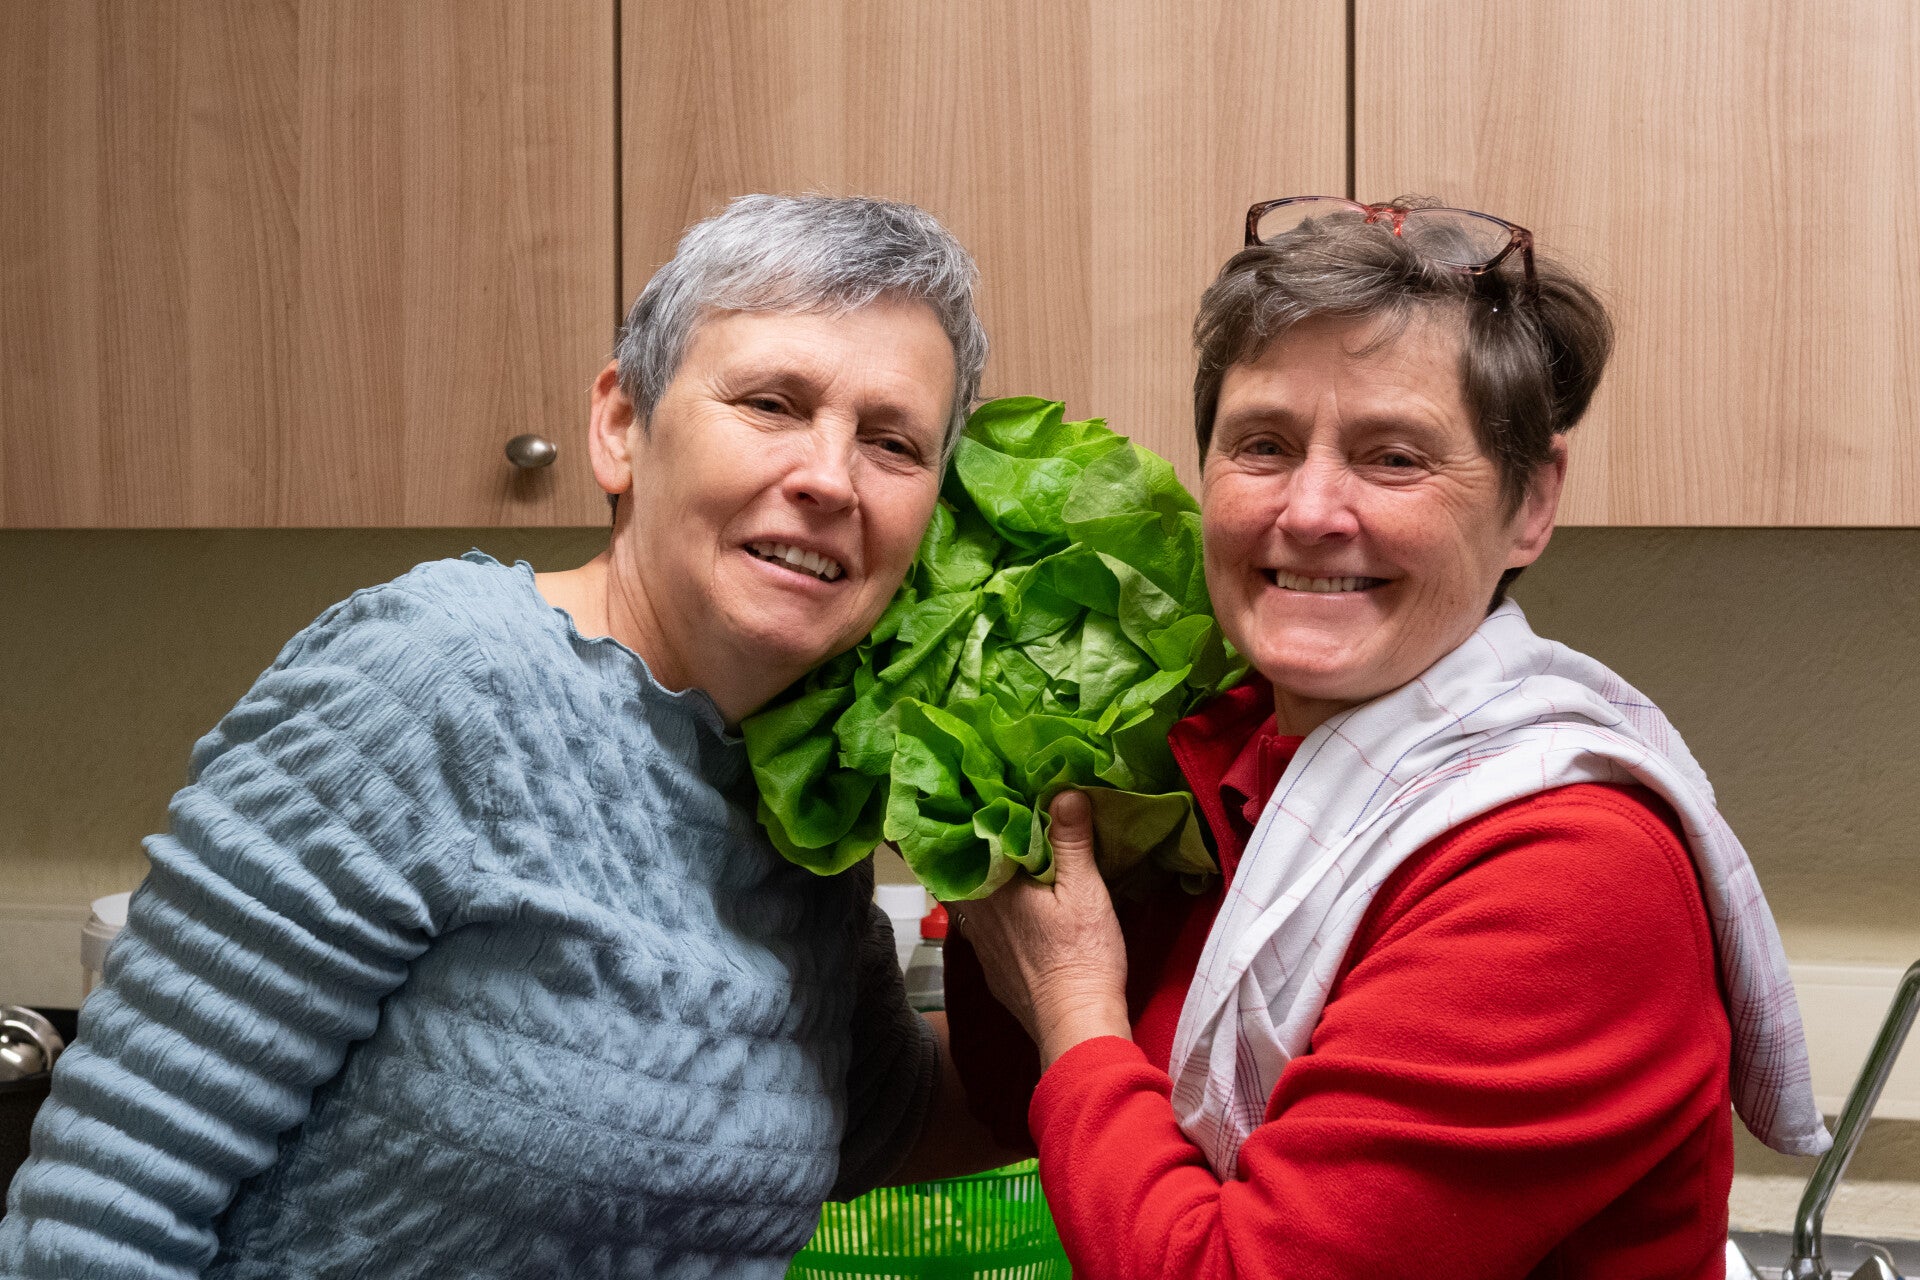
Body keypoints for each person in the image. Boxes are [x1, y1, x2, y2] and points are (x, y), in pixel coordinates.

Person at [0, 194, 1015, 1279]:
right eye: (772, 403)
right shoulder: (434, 681)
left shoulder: (800, 775)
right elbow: (98, 1217)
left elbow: (880, 1118)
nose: (829, 476)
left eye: (893, 443)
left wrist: (1093, 941)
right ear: (621, 427)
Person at [948, 197, 1829, 1279]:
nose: (1310, 510)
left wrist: (1072, 998)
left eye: (1395, 457)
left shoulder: (1568, 876)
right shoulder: (1230, 762)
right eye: (1263, 445)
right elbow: (1031, 1101)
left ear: (1531, 501)